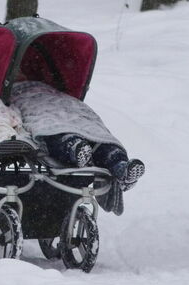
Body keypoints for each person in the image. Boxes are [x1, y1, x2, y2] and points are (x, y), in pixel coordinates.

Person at [11, 79, 145, 215]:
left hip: (63, 104)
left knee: (90, 134)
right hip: (39, 107)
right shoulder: (15, 92)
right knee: (57, 131)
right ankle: (83, 150)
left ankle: (119, 165)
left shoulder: (49, 87)